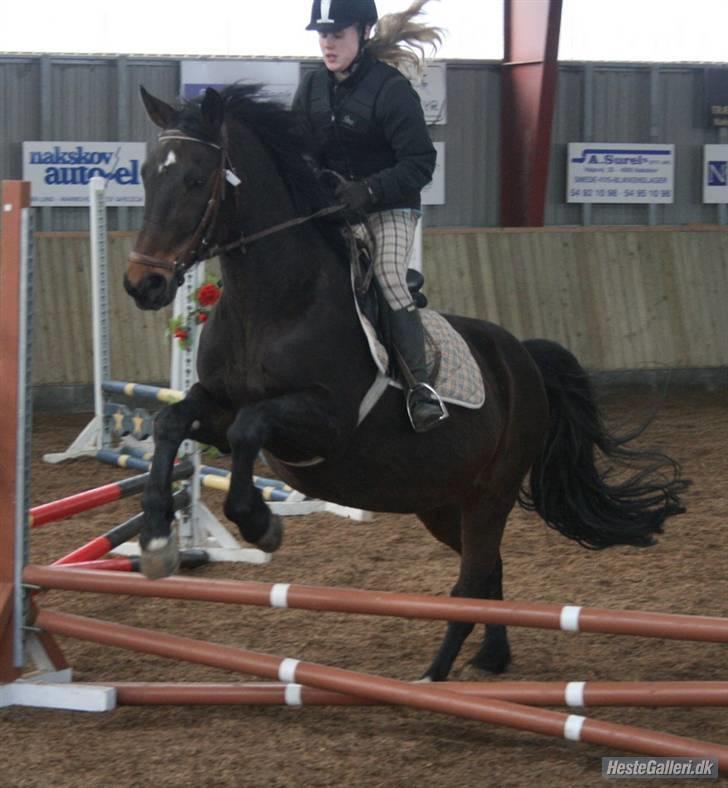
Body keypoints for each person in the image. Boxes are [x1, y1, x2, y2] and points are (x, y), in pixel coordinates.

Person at [293, 0, 448, 433]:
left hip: (389, 207)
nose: (327, 43)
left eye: (337, 34)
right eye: (322, 35)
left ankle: (420, 389)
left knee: (385, 274)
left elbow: (420, 162)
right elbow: (298, 152)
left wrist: (370, 188)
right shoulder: (310, 88)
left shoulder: (391, 89)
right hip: (336, 207)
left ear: (362, 32)